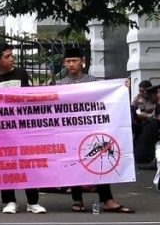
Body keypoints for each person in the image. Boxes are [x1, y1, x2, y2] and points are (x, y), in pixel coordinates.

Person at [56, 46, 135, 213]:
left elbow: (108, 98)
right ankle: (77, 199)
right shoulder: (59, 85)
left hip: (92, 129)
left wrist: (121, 88)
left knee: (100, 161)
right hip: (70, 130)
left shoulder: (93, 82)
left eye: (75, 61)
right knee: (73, 162)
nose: (71, 64)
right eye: (68, 61)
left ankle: (107, 199)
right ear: (64, 63)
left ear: (82, 62)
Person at [0, 43, 46, 214]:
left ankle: (33, 202)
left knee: (29, 164)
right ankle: (9, 201)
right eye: (7, 56)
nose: (12, 59)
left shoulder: (21, 73)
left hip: (23, 128)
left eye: (12, 55)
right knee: (6, 165)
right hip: (2, 131)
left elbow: (29, 96)